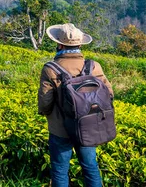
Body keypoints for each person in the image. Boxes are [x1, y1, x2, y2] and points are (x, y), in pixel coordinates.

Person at [38, 23, 114, 187]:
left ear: (59, 44)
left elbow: (45, 102)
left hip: (60, 129)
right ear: (80, 44)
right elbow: (109, 94)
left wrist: (46, 114)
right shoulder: (93, 66)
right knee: (90, 167)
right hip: (88, 127)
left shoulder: (50, 69)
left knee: (59, 170)